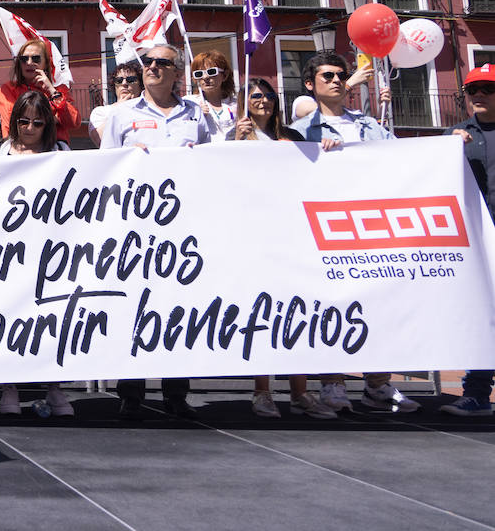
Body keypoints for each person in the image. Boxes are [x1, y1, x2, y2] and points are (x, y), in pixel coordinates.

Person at [289, 51, 418, 414]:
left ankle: (378, 385)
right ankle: (332, 384)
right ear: (311, 84)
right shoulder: (300, 132)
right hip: (324, 230)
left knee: (376, 306)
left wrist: (448, 142)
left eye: (340, 75)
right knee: (331, 308)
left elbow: (403, 160)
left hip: (368, 229)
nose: (336, 80)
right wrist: (316, 153)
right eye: (327, 75)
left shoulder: (370, 126)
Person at [100, 45, 213, 419]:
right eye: (147, 61)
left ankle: (176, 392)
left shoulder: (195, 114)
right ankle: (130, 393)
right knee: (134, 307)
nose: (150, 67)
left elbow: (214, 164)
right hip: (135, 227)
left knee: (177, 308)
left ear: (176, 72)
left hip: (184, 227)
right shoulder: (120, 115)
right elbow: (105, 168)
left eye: (160, 62)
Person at [229, 79, 335, 419]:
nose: (264, 101)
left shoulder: (292, 136)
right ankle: (262, 392)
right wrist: (234, 142)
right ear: (245, 102)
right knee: (263, 313)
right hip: (255, 235)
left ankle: (300, 392)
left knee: (299, 312)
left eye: (269, 95)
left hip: (295, 232)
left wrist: (328, 146)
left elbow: (314, 173)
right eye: (256, 96)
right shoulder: (237, 138)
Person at [0, 91, 75, 418]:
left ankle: (54, 387)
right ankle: (10, 388)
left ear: (47, 123)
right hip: (5, 250)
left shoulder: (61, 151)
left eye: (37, 122)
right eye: (23, 121)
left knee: (52, 319)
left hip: (50, 249)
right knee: (8, 316)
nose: (30, 128)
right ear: (14, 121)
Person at [439, 63, 495, 417]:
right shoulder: (453, 135)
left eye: (486, 89)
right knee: (483, 317)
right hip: (476, 241)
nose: (477, 95)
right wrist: (445, 148)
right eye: (472, 90)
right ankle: (476, 393)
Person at [0, 38, 78, 147]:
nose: (29, 63)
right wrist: (52, 119)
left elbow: (73, 122)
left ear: (46, 63)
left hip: (54, 149)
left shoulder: (58, 90)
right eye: (24, 59)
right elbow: (13, 123)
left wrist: (52, 91)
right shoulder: (9, 89)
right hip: (20, 149)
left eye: (36, 59)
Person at [184, 50, 237, 142]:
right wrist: (196, 116)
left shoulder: (238, 103)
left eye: (211, 72)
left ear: (225, 75)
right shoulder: (188, 104)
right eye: (199, 74)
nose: (205, 77)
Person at [87, 63, 142, 147]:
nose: (124, 83)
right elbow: (100, 139)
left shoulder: (149, 110)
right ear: (114, 85)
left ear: (140, 84)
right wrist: (120, 109)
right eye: (119, 80)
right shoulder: (101, 112)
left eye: (130, 79)